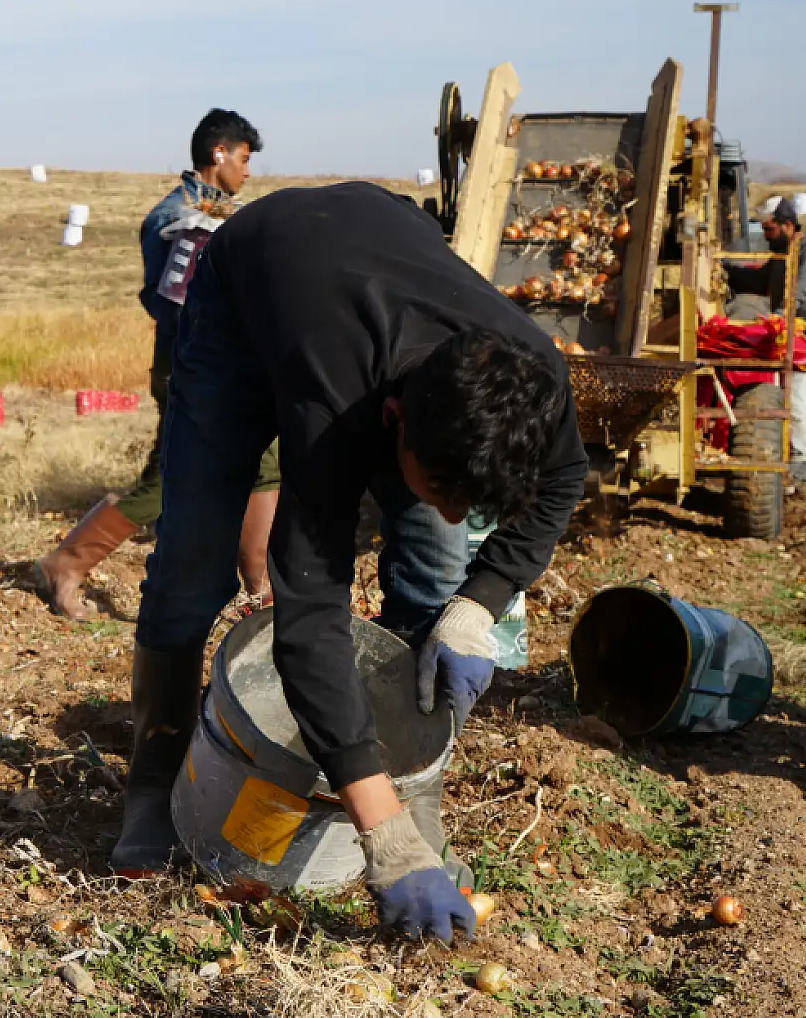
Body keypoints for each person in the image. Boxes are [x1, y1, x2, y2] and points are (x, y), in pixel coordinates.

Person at [118, 183, 586, 945]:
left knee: (437, 579)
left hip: (370, 257)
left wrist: (479, 604)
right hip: (245, 294)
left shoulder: (533, 380)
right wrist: (385, 845)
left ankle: (414, 796)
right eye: (439, 490)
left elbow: (566, 478)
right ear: (393, 422)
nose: (453, 516)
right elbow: (308, 620)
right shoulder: (334, 414)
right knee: (194, 564)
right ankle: (152, 771)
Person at [35, 109, 280, 618]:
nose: (247, 171)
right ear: (219, 154)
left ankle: (260, 585)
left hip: (223, 368)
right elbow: (181, 305)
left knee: (266, 463)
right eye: (244, 158)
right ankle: (68, 562)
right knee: (168, 478)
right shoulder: (185, 222)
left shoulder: (209, 213)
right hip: (196, 367)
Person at [739, 200, 806, 482]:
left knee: (797, 390)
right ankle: (790, 450)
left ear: (787, 225)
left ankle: (802, 461)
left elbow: (803, 288)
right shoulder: (781, 254)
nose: (766, 235)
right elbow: (759, 281)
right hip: (791, 329)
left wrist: (782, 315)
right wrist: (724, 269)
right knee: (784, 390)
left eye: (769, 229)